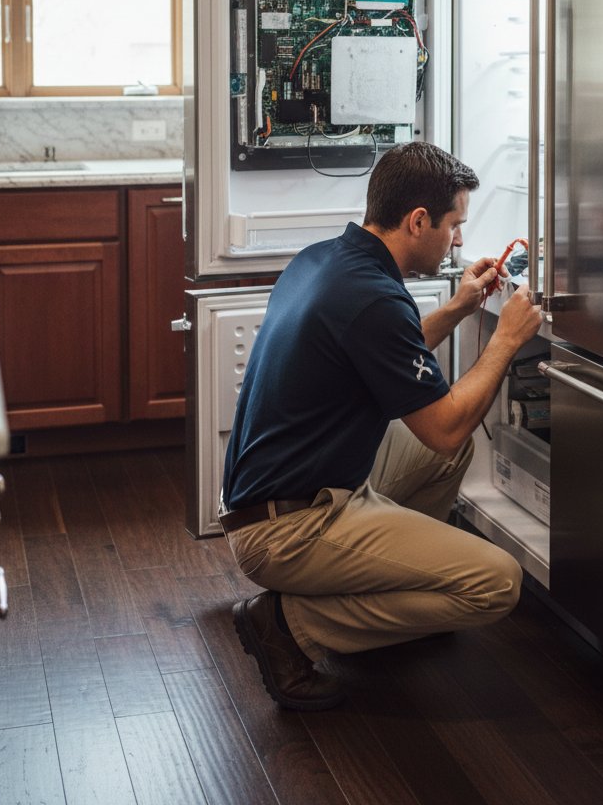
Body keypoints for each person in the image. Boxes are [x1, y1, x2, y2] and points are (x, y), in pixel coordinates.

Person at [220, 141, 543, 710]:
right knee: (497, 583)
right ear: (417, 221)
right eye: (454, 225)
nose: (459, 240)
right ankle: (291, 625)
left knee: (447, 457)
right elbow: (444, 426)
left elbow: (385, 352)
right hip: (285, 531)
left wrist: (461, 308)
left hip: (286, 492)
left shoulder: (326, 260)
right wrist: (506, 340)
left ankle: (390, 592)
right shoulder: (373, 298)